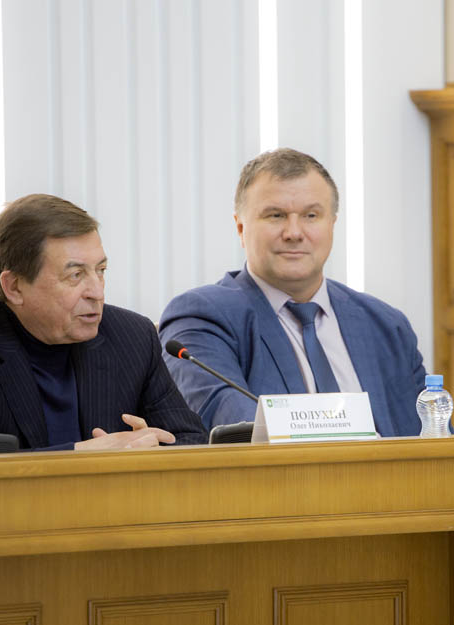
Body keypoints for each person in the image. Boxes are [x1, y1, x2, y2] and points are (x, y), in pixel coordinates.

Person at [0, 194, 207, 452]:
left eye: (100, 271)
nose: (97, 292)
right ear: (14, 287)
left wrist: (150, 451)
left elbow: (192, 441)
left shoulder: (131, 336)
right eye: (75, 275)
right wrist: (79, 454)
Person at [159, 148, 432, 436]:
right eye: (276, 215)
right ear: (241, 228)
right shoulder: (203, 316)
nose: (294, 232)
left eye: (311, 215)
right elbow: (231, 423)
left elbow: (435, 437)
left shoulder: (385, 325)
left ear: (332, 224)